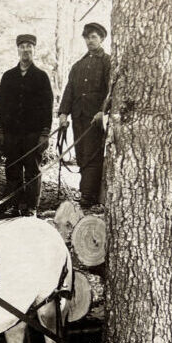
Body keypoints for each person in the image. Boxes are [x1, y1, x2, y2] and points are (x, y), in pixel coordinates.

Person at [0, 34, 54, 216]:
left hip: (33, 133)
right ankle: (13, 205)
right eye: (22, 47)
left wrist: (45, 133)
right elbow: (1, 104)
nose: (26, 50)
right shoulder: (8, 76)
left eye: (29, 47)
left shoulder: (41, 77)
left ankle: (30, 207)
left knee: (32, 171)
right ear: (18, 50)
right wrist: (0, 130)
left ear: (34, 50)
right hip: (12, 133)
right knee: (12, 169)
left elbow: (48, 106)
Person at [57, 22, 112, 208]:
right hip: (78, 116)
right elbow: (69, 90)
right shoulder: (78, 66)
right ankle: (85, 193)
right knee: (81, 156)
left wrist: (103, 111)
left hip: (95, 120)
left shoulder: (107, 62)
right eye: (87, 37)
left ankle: (88, 196)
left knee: (92, 156)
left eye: (94, 37)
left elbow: (110, 91)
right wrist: (64, 113)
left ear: (102, 39)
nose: (90, 40)